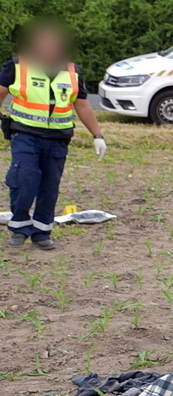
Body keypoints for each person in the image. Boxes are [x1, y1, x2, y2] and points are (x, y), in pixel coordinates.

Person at [2, 18, 106, 250]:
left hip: (58, 138)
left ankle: (42, 231)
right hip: (25, 134)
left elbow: (82, 105)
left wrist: (97, 135)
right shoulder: (18, 66)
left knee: (50, 185)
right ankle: (19, 227)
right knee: (25, 178)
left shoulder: (73, 72)